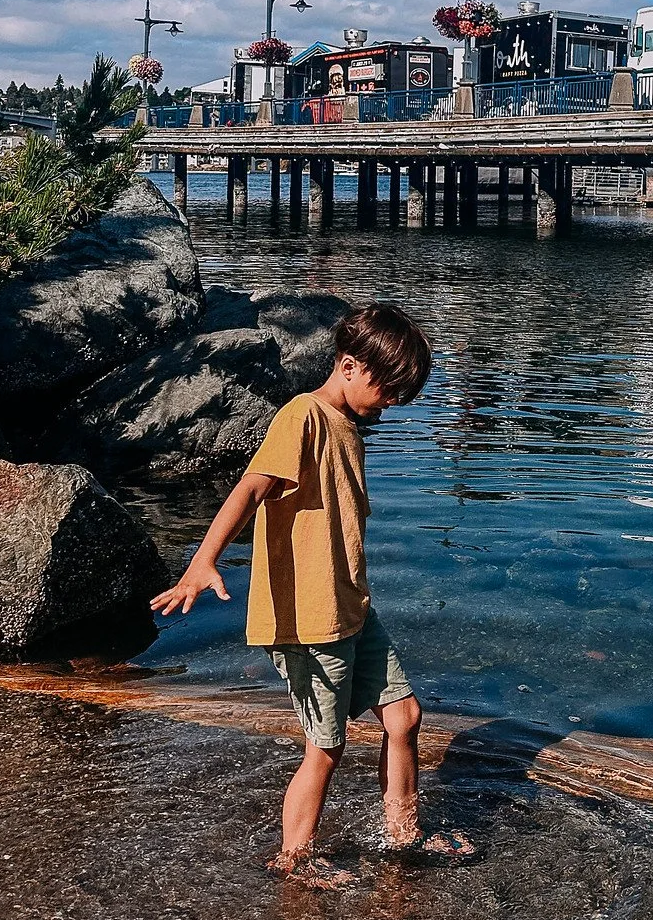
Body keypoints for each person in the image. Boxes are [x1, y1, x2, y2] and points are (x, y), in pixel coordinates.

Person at [150, 302, 471, 886]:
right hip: (309, 615)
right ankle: (294, 858)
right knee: (325, 745)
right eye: (388, 388)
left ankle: (403, 833)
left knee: (404, 716)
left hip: (350, 605)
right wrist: (203, 560)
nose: (393, 404)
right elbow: (251, 489)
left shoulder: (348, 424)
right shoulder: (303, 416)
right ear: (349, 365)